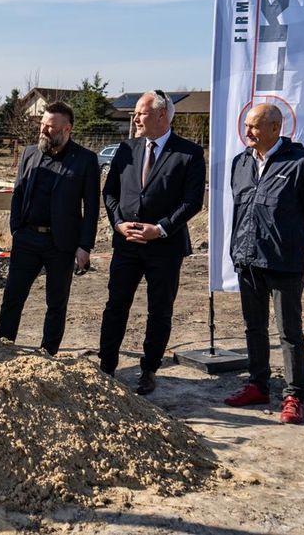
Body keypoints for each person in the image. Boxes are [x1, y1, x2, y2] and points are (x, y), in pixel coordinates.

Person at [224, 103, 304, 423]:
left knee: (289, 332)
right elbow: (242, 209)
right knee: (253, 327)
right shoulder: (241, 162)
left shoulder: (301, 164)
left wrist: (291, 245)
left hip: (285, 263)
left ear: (274, 128)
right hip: (247, 260)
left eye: (254, 126)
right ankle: (258, 384)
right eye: (246, 126)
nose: (247, 132)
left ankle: (294, 394)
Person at [98, 90, 205, 395]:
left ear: (161, 115)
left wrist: (160, 229)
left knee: (160, 310)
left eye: (141, 113)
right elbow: (111, 193)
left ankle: (149, 369)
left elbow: (192, 201)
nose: (135, 118)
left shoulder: (189, 153)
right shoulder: (126, 149)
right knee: (116, 305)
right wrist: (118, 223)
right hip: (127, 244)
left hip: (165, 247)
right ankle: (107, 366)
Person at [0, 101, 100, 354]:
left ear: (67, 130)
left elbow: (92, 208)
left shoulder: (85, 160)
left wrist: (84, 246)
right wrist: (16, 228)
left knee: (56, 302)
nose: (43, 130)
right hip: (27, 238)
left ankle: (48, 353)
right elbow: (18, 194)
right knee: (12, 298)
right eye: (42, 124)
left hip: (61, 244)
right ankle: (2, 348)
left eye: (50, 127)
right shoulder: (30, 153)